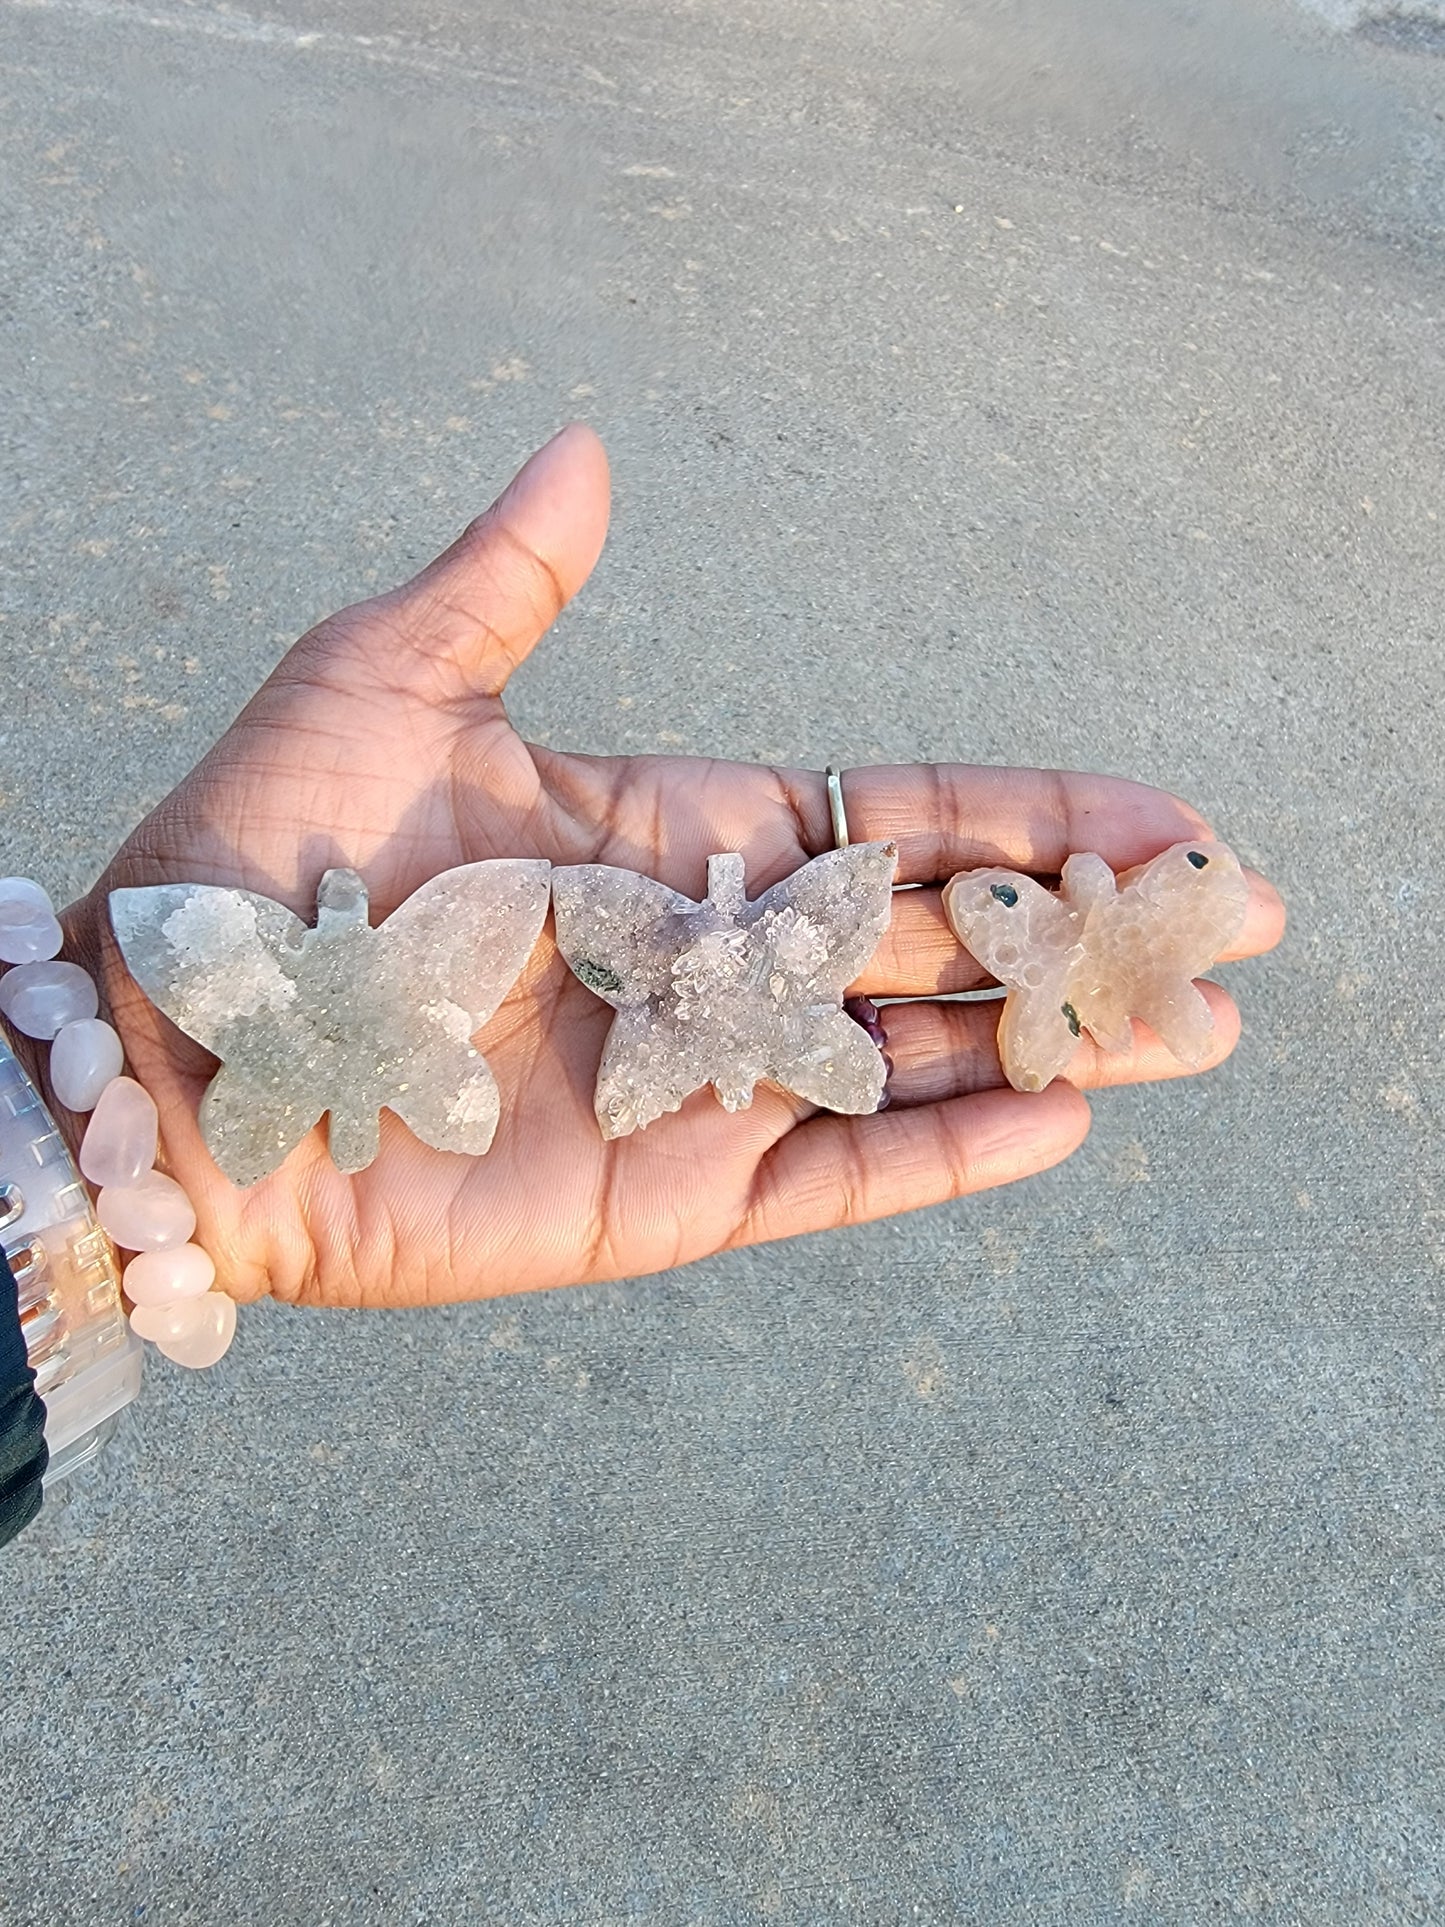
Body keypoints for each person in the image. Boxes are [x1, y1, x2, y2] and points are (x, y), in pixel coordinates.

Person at [0, 424, 1285, 1544]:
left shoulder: (598, 943)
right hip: (603, 1035)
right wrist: (105, 1078)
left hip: (576, 1039)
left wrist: (92, 1075)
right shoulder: (623, 931)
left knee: (884, 1060)